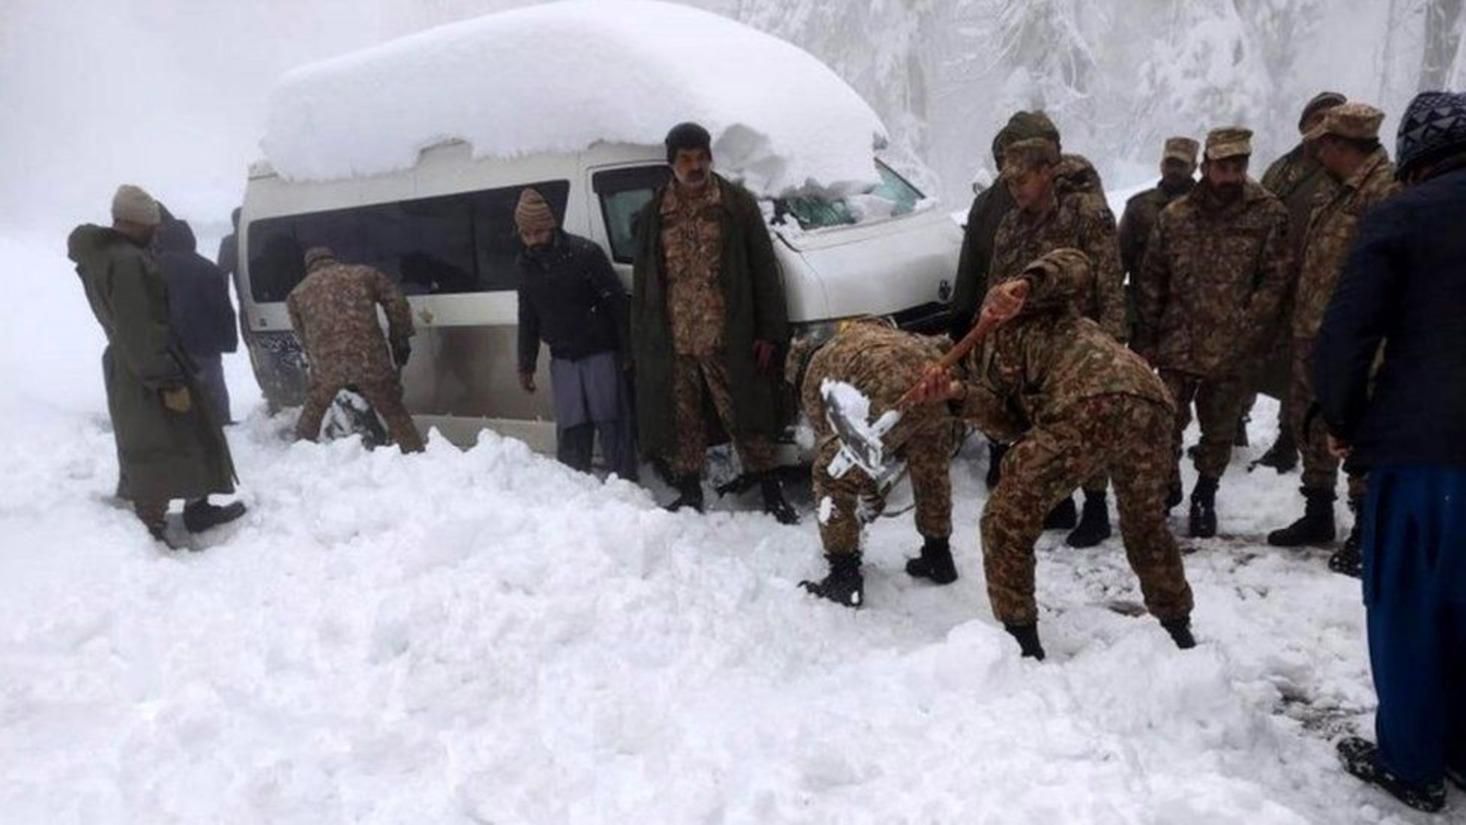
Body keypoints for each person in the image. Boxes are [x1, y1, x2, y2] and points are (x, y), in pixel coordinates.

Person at [910, 249, 1196, 660]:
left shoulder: (1004, 312)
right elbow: (1013, 423)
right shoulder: (975, 366)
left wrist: (1026, 283)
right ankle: (1180, 635)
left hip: (1092, 398)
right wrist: (956, 396)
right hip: (1148, 401)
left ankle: (1022, 648)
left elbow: (1075, 265)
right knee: (1145, 524)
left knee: (1003, 520)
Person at [1318, 90, 1466, 815]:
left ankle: (1412, 761)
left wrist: (1341, 419)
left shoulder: (1402, 217)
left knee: (1411, 607)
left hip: (1425, 454)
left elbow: (1347, 335)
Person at [630, 121, 796, 524]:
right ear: (671, 163)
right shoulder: (654, 215)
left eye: (701, 156)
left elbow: (763, 272)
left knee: (746, 415)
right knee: (682, 421)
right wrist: (642, 344)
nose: (695, 165)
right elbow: (645, 285)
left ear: (710, 157)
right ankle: (689, 492)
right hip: (676, 342)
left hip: (730, 337)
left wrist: (769, 332)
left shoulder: (736, 205)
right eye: (686, 159)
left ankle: (772, 490)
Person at [1134, 127, 1291, 538]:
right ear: (1205, 166)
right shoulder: (1177, 215)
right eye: (1223, 166)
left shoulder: (1268, 214)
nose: (1231, 174)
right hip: (1177, 342)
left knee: (1219, 429)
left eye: (1238, 165)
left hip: (1232, 347)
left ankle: (1206, 491)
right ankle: (1167, 485)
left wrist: (1248, 326)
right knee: (1164, 422)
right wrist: (1147, 338)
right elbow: (1152, 278)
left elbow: (1276, 280)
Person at [67, 185, 244, 545]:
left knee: (174, 436)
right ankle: (151, 525)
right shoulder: (129, 263)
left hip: (133, 363)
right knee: (157, 442)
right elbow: (140, 328)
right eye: (152, 224)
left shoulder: (106, 256)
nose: (157, 230)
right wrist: (167, 380)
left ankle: (193, 507)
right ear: (135, 223)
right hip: (145, 367)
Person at [1265, 103, 1399, 578]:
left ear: (1342, 145)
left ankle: (1366, 528)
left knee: (1358, 426)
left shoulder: (1385, 192)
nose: (1315, 150)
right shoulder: (1332, 192)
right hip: (1313, 333)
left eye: (1323, 142)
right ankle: (1318, 509)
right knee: (1310, 419)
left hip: (1360, 340)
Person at [987, 135, 1127, 547]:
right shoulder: (1012, 224)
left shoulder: (1085, 213)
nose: (1017, 191)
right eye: (1010, 184)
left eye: (1023, 180)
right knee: (1045, 420)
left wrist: (1115, 340)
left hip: (1086, 341)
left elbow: (1109, 278)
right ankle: (1060, 500)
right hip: (1035, 348)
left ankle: (1097, 506)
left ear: (1048, 172)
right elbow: (998, 281)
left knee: (1089, 422)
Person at [787, 320, 957, 607]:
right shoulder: (862, 334)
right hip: (935, 376)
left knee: (831, 475)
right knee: (930, 468)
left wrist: (864, 492)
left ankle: (844, 578)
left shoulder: (815, 369)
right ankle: (938, 555)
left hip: (890, 387)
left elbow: (838, 453)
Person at [1251, 92, 1349, 473]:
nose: (1321, 125)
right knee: (1265, 357)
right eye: (1316, 118)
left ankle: (1291, 438)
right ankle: (1236, 424)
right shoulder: (1282, 168)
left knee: (1304, 367)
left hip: (1321, 285)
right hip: (1277, 278)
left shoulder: (1342, 170)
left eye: (1330, 118)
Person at [514, 187, 638, 479]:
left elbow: (617, 303)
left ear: (552, 226)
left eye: (539, 232)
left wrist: (629, 351)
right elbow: (527, 316)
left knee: (613, 425)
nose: (534, 240)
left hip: (600, 354)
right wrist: (526, 364)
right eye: (526, 234)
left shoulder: (586, 253)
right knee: (572, 430)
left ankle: (626, 487)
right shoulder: (524, 265)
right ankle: (574, 490)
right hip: (563, 359)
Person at [287, 246, 424, 453]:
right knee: (394, 410)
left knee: (313, 411)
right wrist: (400, 339)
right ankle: (415, 454)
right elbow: (396, 301)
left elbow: (302, 336)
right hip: (369, 358)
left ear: (309, 266)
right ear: (332, 258)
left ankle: (300, 454)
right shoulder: (363, 274)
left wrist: (319, 361)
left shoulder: (297, 294)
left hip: (327, 365)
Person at [156, 218, 238, 425]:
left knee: (176, 392)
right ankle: (220, 424)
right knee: (213, 389)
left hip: (169, 347)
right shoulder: (208, 268)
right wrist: (228, 341)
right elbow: (223, 309)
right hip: (205, 345)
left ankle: (182, 428)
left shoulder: (153, 269)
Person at [1118, 137, 1199, 308]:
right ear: (1161, 165)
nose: (1174, 170)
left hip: (1193, 312)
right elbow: (1119, 259)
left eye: (1181, 165)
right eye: (1170, 164)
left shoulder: (1207, 206)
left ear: (1194, 167)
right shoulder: (1139, 206)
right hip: (1145, 309)